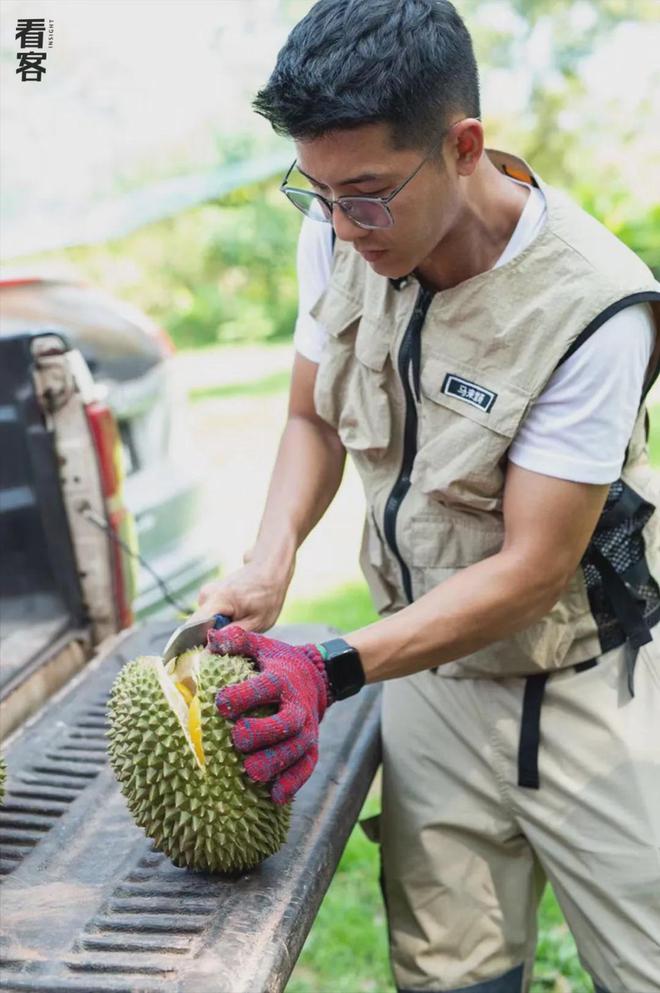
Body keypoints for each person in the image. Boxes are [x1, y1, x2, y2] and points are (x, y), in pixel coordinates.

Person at [196, 2, 660, 990]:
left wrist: (329, 666)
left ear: (463, 147)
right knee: (449, 973)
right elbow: (313, 418)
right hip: (425, 671)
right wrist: (269, 558)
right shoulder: (339, 232)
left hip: (583, 681)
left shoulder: (592, 308)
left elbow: (534, 569)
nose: (338, 224)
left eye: (365, 194)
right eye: (315, 192)